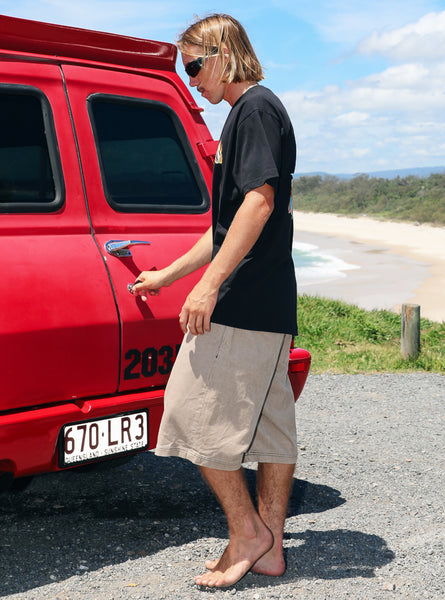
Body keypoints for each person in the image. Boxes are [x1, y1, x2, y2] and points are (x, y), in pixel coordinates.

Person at [130, 13, 298, 589]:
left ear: (224, 54)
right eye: (184, 66)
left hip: (244, 303)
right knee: (272, 429)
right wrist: (169, 275)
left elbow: (258, 203)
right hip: (270, 302)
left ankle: (247, 534)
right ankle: (270, 548)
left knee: (187, 418)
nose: (191, 77)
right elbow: (225, 226)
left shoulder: (252, 110)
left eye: (195, 64)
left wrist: (208, 288)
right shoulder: (256, 112)